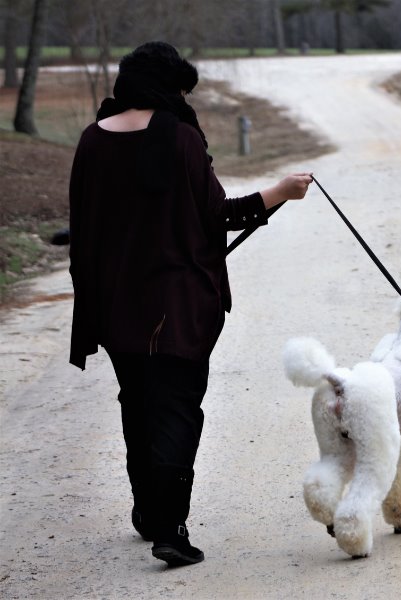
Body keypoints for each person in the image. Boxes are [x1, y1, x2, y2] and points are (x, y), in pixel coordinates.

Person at [68, 41, 312, 568]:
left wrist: (90, 302)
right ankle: (170, 529)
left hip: (115, 306)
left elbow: (83, 230)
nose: (184, 100)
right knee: (176, 409)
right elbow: (220, 215)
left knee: (137, 405)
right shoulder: (179, 139)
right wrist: (282, 191)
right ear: (167, 87)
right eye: (181, 90)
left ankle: (147, 511)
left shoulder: (92, 139)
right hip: (176, 307)